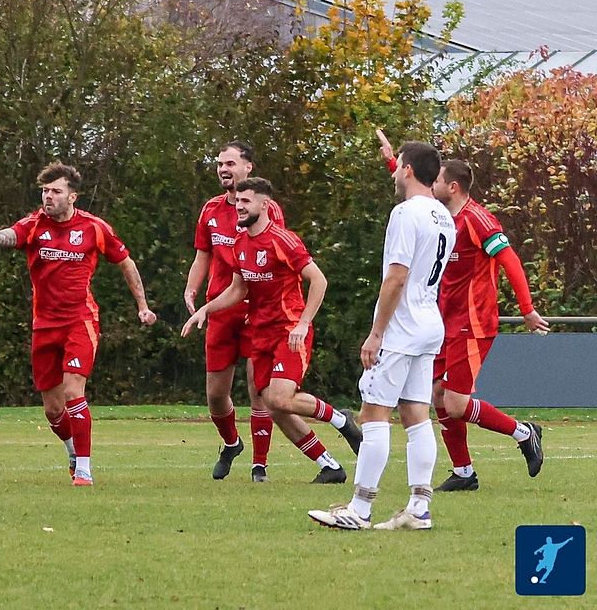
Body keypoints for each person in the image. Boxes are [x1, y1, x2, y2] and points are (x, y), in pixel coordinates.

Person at [0, 161, 157, 486]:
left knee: (73, 390)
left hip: (81, 320)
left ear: (72, 196)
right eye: (45, 191)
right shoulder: (34, 225)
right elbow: (4, 238)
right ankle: (72, 452)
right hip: (44, 325)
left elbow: (126, 262)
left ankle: (84, 469)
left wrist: (143, 306)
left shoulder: (94, 228)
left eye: (55, 191)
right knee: (53, 409)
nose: (48, 196)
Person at [378, 131, 548, 491]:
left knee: (454, 403)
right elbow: (416, 188)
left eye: (437, 178)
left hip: (473, 322)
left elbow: (510, 260)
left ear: (451, 187)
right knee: (438, 394)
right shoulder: (440, 215)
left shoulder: (478, 220)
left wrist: (528, 309)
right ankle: (464, 472)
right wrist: (394, 163)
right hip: (442, 322)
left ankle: (523, 432)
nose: (431, 182)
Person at [184, 143, 360, 483]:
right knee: (270, 403)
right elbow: (237, 288)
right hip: (258, 327)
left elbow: (317, 279)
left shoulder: (282, 238)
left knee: (274, 397)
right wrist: (204, 307)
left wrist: (303, 322)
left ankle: (335, 424)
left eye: (246, 202)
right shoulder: (236, 240)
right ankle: (330, 466)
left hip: (285, 329)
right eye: (238, 203)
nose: (239, 207)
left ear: (265, 204)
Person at [308, 141, 456, 531]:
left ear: (407, 170)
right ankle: (419, 509)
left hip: (402, 329)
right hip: (428, 324)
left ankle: (360, 509)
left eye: (397, 166)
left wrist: (376, 333)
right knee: (416, 416)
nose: (393, 172)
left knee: (374, 413)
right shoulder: (444, 216)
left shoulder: (405, 213)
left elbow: (397, 276)